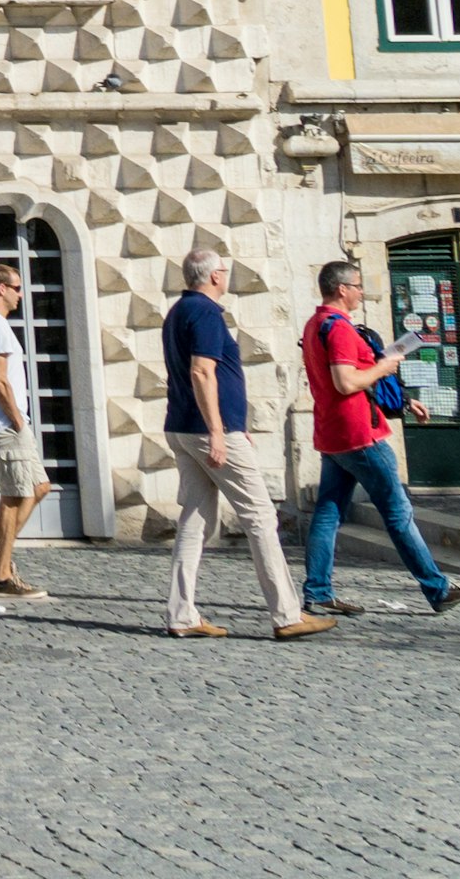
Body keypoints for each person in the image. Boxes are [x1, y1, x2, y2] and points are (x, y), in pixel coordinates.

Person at [162, 248, 331, 643]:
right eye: (224, 269)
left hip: (184, 428)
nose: (228, 274)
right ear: (215, 276)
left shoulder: (178, 312)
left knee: (195, 521)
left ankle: (182, 614)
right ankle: (287, 614)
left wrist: (233, 424)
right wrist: (220, 430)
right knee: (260, 517)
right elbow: (202, 372)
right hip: (207, 432)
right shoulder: (205, 313)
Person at [300, 259, 460, 619]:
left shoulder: (315, 323)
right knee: (398, 514)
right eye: (358, 286)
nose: (361, 292)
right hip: (361, 435)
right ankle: (437, 588)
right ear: (341, 289)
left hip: (333, 435)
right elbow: (346, 382)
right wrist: (385, 365)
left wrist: (402, 399)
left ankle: (318, 590)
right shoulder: (339, 330)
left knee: (328, 513)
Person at [0, 261, 52, 600]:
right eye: (16, 287)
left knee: (39, 487)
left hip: (5, 421)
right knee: (15, 496)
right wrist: (16, 418)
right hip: (5, 422)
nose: (21, 294)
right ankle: (2, 576)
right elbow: (0, 380)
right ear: (1, 289)